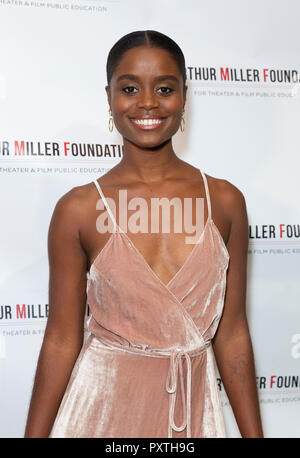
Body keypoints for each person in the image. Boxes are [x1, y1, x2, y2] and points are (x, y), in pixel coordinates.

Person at [24, 30, 263, 438]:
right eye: (130, 88)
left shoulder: (225, 202)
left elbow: (234, 333)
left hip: (192, 416)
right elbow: (62, 339)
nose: (148, 102)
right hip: (98, 416)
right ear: (109, 96)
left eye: (165, 88)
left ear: (185, 96)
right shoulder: (78, 209)